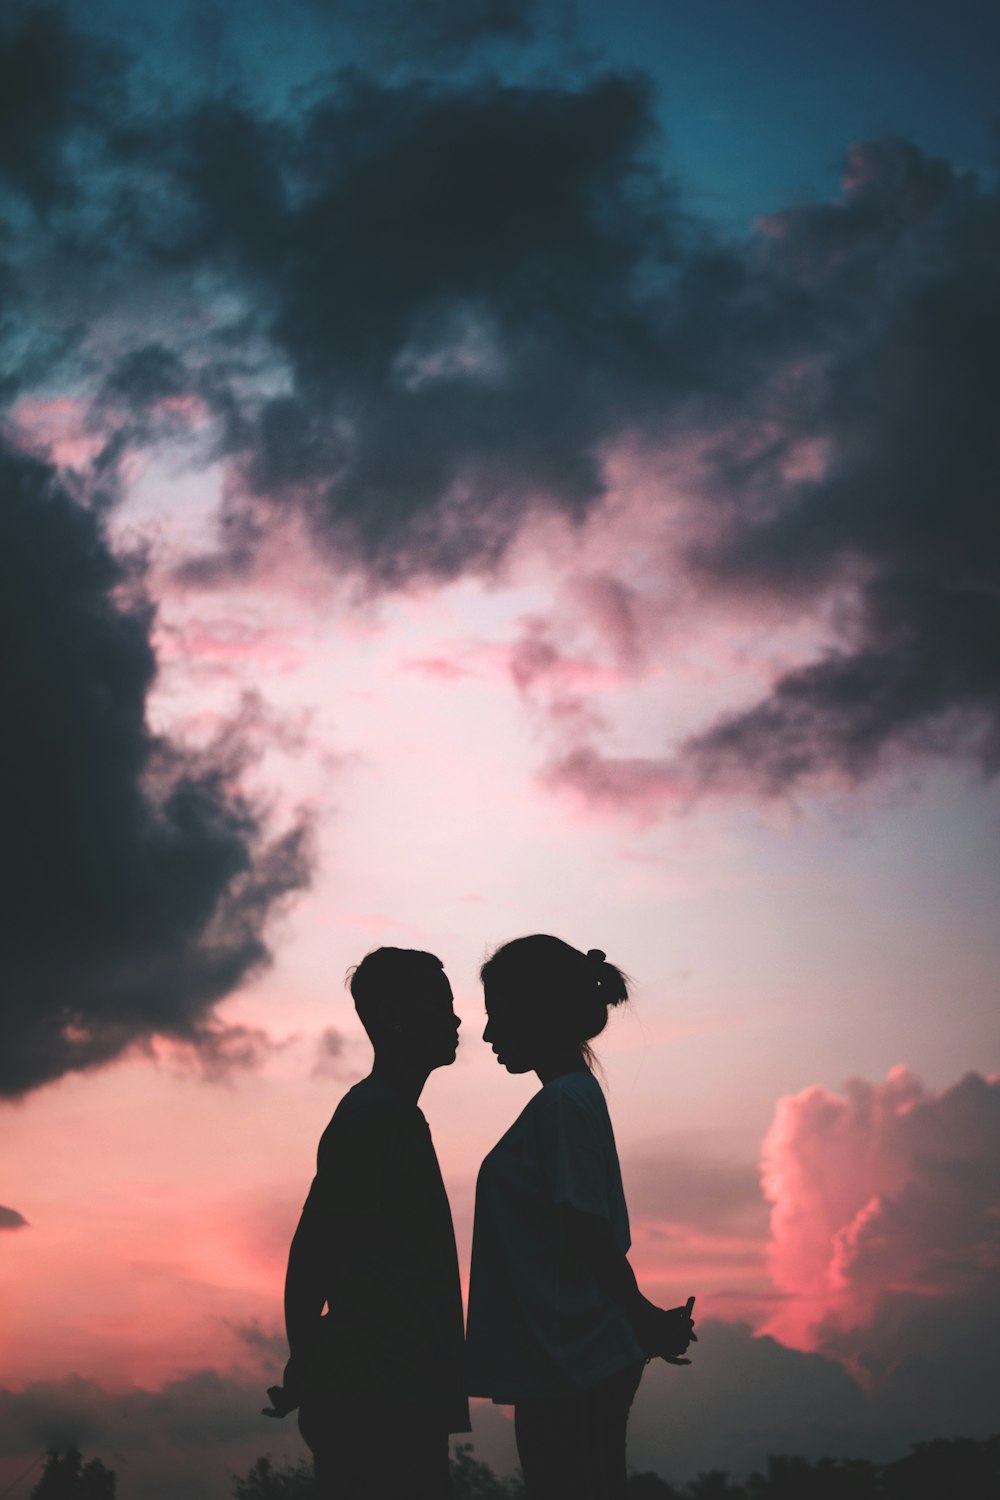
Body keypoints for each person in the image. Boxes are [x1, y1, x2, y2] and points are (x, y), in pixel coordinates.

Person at [466, 935, 696, 1500]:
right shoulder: (570, 1101)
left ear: (535, 1013)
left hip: (573, 1364)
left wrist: (639, 1316)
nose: (489, 1034)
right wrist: (642, 1318)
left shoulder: (564, 1105)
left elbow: (588, 1230)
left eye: (498, 1016)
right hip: (566, 1360)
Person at [264, 947, 470, 1499]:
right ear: (393, 1019)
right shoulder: (374, 1118)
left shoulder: (393, 1116)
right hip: (379, 1401)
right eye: (438, 1004)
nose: (455, 1018)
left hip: (398, 1393)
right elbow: (313, 1254)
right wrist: (305, 1361)